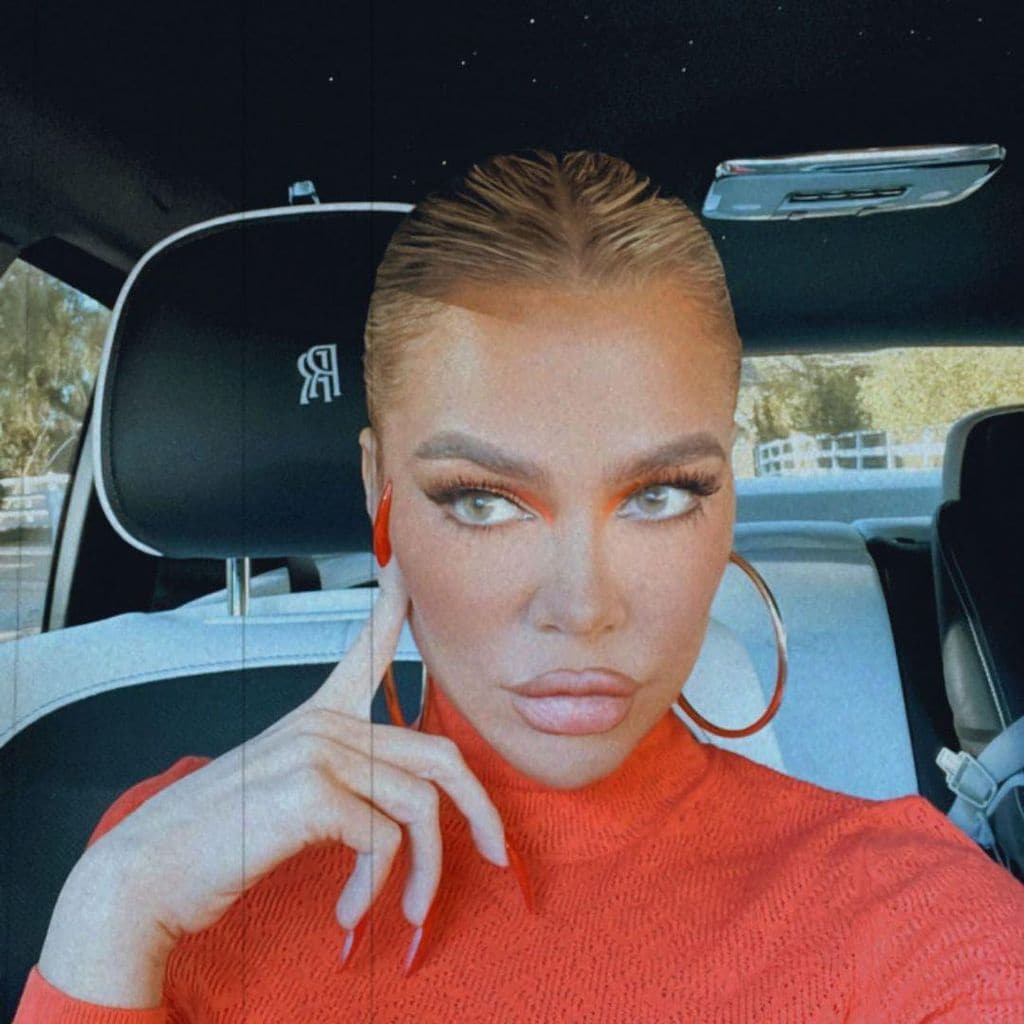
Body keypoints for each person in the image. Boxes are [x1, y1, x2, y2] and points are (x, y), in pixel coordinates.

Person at [14, 149, 1024, 1024]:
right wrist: (108, 912)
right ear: (378, 492)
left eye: (661, 494)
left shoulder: (909, 913)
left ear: (726, 493)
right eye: (484, 500)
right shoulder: (169, 869)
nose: (581, 607)